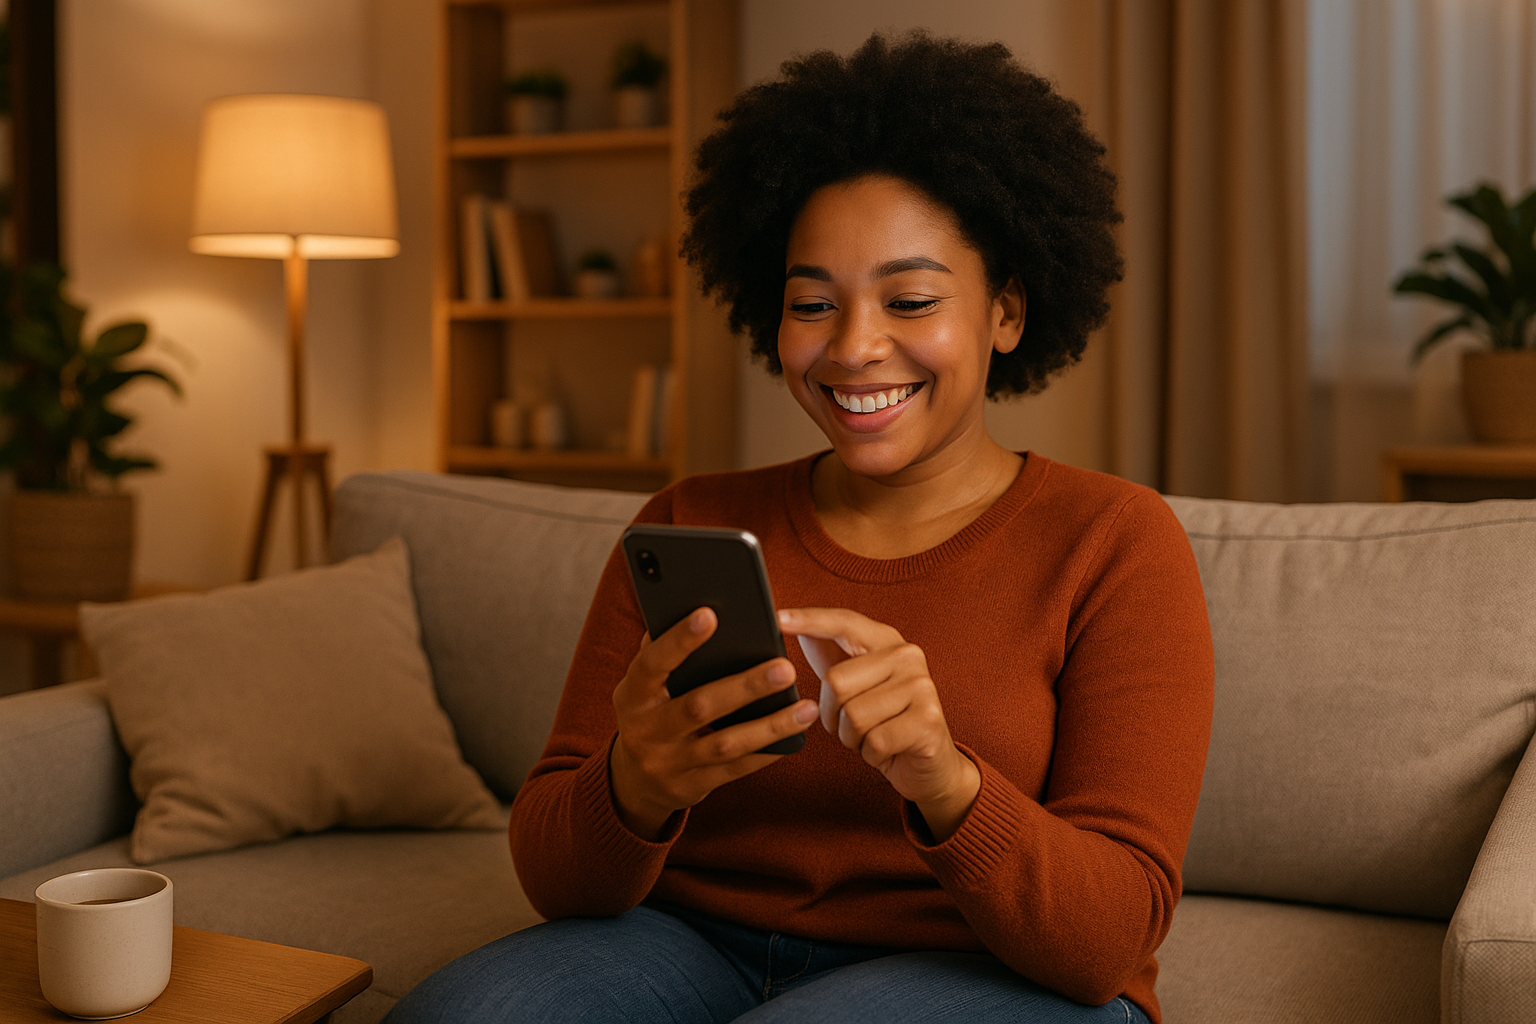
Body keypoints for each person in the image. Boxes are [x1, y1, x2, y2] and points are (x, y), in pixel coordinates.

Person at [386, 31, 1213, 1024]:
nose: (854, 347)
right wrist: (635, 780)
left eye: (911, 299)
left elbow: (1111, 940)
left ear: (1006, 311)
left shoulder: (1114, 541)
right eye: (813, 303)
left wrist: (947, 781)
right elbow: (558, 884)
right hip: (689, 942)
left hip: (990, 969)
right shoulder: (690, 520)